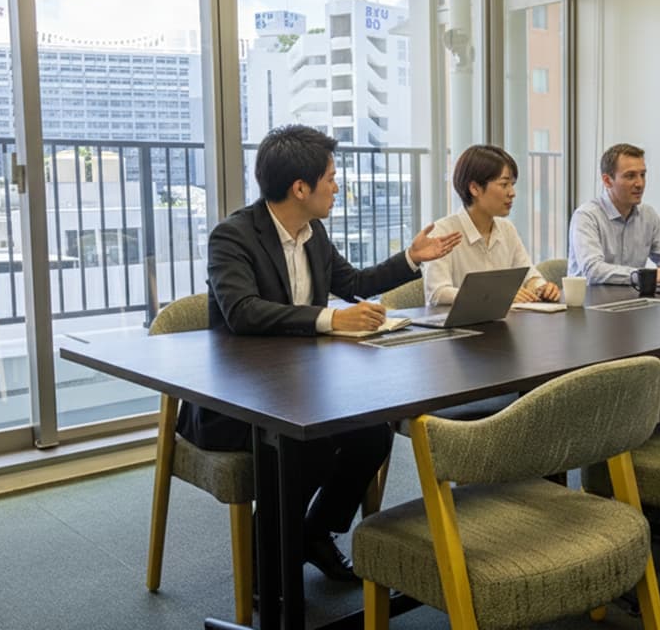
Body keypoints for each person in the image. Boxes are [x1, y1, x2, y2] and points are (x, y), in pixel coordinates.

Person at [177, 125, 461, 583]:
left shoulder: (314, 234)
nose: (337, 186)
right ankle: (264, 566)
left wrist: (412, 257)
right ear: (300, 187)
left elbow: (355, 284)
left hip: (301, 389)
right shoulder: (233, 236)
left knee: (372, 434)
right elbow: (243, 313)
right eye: (331, 177)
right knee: (306, 447)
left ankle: (314, 533)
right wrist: (330, 320)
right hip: (239, 400)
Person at [423, 145, 560, 305]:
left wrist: (541, 287)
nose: (512, 193)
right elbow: (437, 293)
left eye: (512, 184)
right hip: (460, 327)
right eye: (504, 184)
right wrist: (494, 295)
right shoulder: (443, 232)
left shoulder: (506, 229)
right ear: (474, 188)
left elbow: (528, 274)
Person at [568, 143, 660, 285]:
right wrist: (650, 276)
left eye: (642, 175)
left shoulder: (647, 215)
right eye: (630, 176)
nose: (640, 183)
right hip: (593, 303)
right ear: (607, 181)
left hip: (632, 301)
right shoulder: (586, 216)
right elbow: (593, 270)